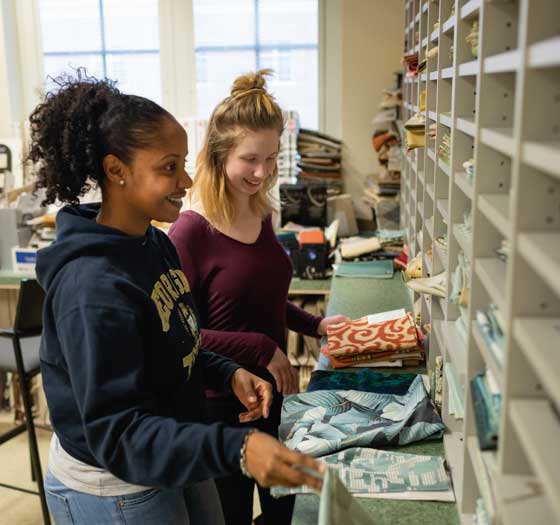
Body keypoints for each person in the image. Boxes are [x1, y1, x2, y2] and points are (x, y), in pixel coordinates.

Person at [29, 71, 323, 525]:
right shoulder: (91, 287)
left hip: (174, 451)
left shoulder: (154, 243)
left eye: (184, 163)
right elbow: (118, 433)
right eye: (169, 167)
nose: (186, 179)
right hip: (119, 485)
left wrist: (227, 373)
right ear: (116, 171)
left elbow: (178, 338)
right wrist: (238, 448)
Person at [168, 70, 347, 525]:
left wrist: (315, 325)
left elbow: (260, 300)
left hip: (274, 395)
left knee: (284, 512)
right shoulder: (191, 230)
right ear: (218, 153)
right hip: (221, 407)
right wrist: (261, 348)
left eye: (271, 158)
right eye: (250, 159)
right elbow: (180, 334)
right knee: (229, 515)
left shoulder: (262, 211)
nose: (262, 172)